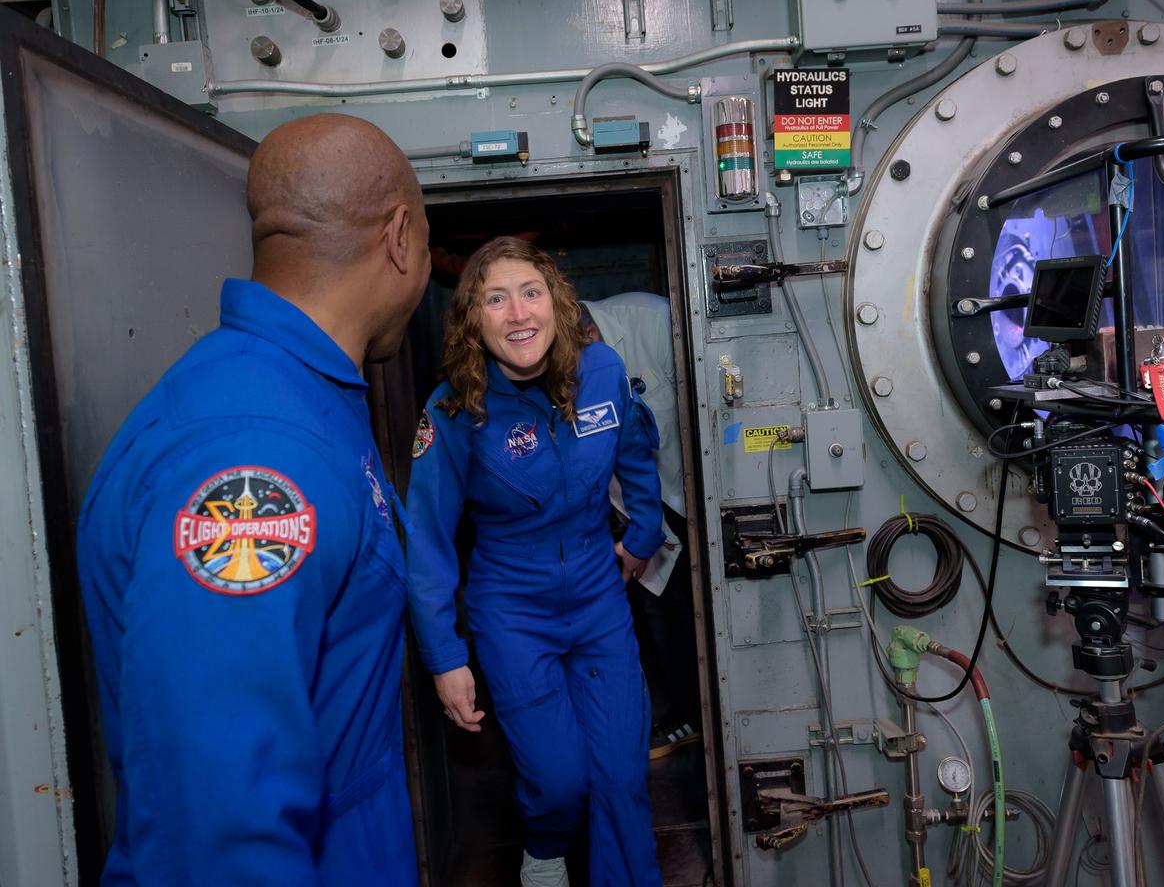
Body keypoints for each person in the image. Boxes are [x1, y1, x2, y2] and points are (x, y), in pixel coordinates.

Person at [76, 113, 431, 885]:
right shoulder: (255, 458)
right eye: (431, 245)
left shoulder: (306, 396)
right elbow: (221, 828)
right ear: (401, 239)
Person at [405, 237, 666, 887]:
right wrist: (445, 658)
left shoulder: (602, 370)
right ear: (474, 319)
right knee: (557, 782)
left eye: (531, 292)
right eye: (496, 299)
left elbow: (635, 447)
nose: (519, 313)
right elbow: (428, 541)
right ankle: (544, 850)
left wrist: (643, 533)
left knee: (622, 779)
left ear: (556, 302)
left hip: (599, 597)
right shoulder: (452, 411)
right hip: (512, 612)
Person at [580, 293, 703, 759]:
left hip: (692, 489)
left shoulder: (655, 321)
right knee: (661, 612)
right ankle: (690, 712)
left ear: (590, 332)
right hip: (629, 504)